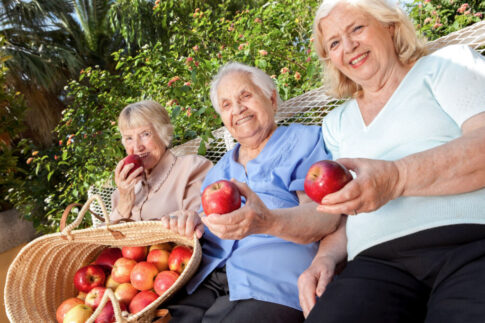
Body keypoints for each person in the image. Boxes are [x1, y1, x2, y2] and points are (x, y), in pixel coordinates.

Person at [298, 0, 485, 322]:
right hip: (375, 265)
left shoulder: (446, 65)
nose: (349, 45)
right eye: (334, 43)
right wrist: (325, 257)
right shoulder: (336, 122)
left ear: (390, 25)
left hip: (470, 243)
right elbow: (346, 211)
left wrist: (396, 177)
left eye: (356, 28)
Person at [163, 62, 342, 322]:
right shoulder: (219, 171)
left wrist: (268, 221)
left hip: (270, 282)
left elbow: (324, 215)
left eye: (245, 96)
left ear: (271, 98)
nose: (237, 109)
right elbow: (206, 223)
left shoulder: (304, 141)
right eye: (226, 105)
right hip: (205, 280)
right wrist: (190, 222)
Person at [109, 100, 212, 232]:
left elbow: (199, 225)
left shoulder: (192, 168)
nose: (137, 147)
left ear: (164, 134)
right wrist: (124, 201)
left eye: (145, 134)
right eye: (129, 138)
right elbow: (111, 243)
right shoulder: (121, 192)